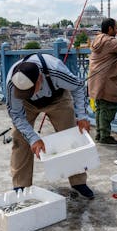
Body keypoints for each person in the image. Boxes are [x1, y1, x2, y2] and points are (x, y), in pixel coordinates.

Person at [6, 53, 94, 199]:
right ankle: (21, 186)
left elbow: (78, 86)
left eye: (29, 91)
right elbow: (16, 114)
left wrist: (82, 115)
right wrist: (33, 138)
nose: (26, 93)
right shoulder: (12, 83)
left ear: (40, 79)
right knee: (20, 139)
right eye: (23, 92)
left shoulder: (55, 70)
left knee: (71, 136)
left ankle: (78, 181)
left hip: (58, 99)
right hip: (27, 106)